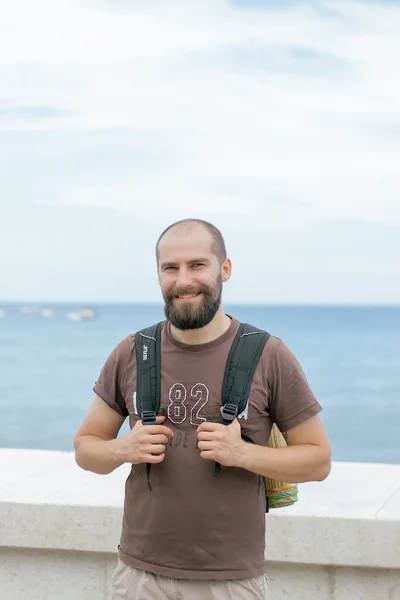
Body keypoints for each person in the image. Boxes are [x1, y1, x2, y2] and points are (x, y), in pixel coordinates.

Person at [73, 218, 331, 600]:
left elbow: (318, 461)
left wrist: (241, 453)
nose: (183, 281)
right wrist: (122, 449)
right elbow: (85, 448)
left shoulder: (268, 354)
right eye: (170, 268)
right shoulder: (133, 351)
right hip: (138, 576)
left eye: (197, 265)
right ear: (158, 274)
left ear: (224, 269)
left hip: (230, 581)